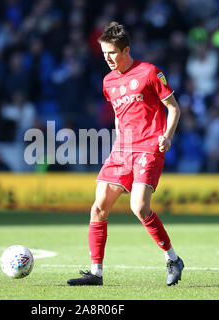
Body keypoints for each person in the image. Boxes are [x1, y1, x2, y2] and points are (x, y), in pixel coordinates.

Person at [67, 22, 184, 287]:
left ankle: (172, 259)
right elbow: (120, 117)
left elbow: (173, 108)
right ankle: (95, 273)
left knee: (139, 207)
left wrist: (167, 136)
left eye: (111, 52)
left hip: (148, 147)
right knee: (98, 208)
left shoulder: (150, 72)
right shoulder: (108, 81)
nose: (107, 58)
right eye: (104, 53)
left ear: (126, 49)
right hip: (121, 150)